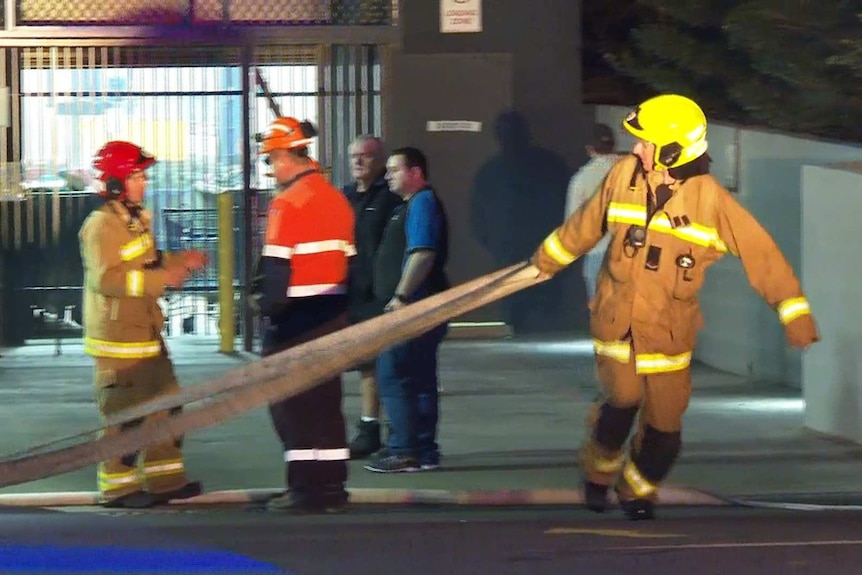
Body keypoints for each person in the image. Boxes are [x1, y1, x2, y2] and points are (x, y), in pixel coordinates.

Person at [530, 94, 820, 520]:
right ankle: (596, 476)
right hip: (617, 319)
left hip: (668, 330)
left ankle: (637, 491)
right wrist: (546, 262)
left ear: (673, 148)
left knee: (665, 429)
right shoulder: (624, 175)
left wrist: (793, 312)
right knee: (622, 401)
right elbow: (586, 224)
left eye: (646, 143)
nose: (637, 150)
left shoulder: (710, 201)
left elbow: (763, 255)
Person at [79, 140, 208, 509]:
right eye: (136, 176)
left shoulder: (131, 218)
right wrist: (163, 280)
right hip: (119, 340)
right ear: (115, 182)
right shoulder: (101, 225)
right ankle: (117, 488)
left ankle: (165, 480)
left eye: (144, 175)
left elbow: (148, 261)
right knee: (125, 417)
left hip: (145, 331)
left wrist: (180, 260)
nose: (144, 182)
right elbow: (107, 280)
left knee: (166, 407)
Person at [252, 116, 356, 513]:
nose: (270, 169)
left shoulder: (287, 204)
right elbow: (351, 263)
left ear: (282, 156)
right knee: (326, 405)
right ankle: (332, 488)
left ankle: (303, 491)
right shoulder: (336, 199)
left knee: (291, 407)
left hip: (295, 321)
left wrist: (265, 309)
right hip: (332, 316)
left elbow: (277, 271)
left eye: (270, 160)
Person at [364, 146, 450, 473]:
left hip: (413, 307)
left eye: (394, 170)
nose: (387, 176)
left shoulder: (422, 203)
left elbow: (422, 252)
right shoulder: (411, 204)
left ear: (415, 172)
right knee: (420, 379)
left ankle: (403, 450)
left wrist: (400, 296)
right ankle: (424, 449)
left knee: (394, 374)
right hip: (423, 306)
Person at [342, 135, 403, 459]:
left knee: (388, 364)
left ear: (379, 160)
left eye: (365, 156)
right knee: (366, 363)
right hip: (354, 291)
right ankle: (369, 429)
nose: (358, 162)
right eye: (354, 156)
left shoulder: (391, 198)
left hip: (383, 292)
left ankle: (396, 432)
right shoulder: (346, 197)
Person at [564, 123, 618, 303]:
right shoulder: (636, 172)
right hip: (638, 257)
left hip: (598, 255)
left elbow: (573, 226)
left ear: (589, 148)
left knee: (602, 318)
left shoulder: (582, 179)